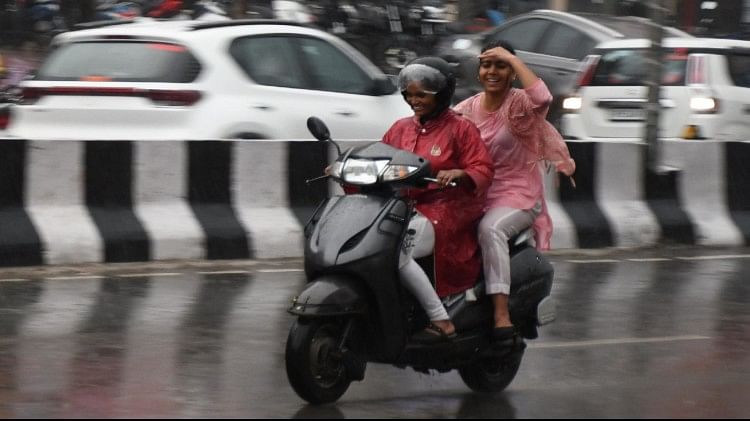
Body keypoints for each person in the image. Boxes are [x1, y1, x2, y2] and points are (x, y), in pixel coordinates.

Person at [454, 40, 575, 342]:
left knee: (490, 230)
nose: (492, 71)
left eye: (501, 65)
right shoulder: (466, 109)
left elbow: (543, 96)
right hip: (476, 194)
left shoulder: (521, 104)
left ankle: (500, 313)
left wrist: (510, 56)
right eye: (487, 64)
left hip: (517, 196)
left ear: (511, 70)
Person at [382, 56, 494, 343]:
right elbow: (379, 159)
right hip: (404, 207)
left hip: (447, 209)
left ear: (442, 95)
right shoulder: (400, 128)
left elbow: (482, 168)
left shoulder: (461, 129)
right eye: (410, 94)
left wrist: (460, 172)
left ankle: (441, 320)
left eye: (423, 94)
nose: (414, 100)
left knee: (396, 253)